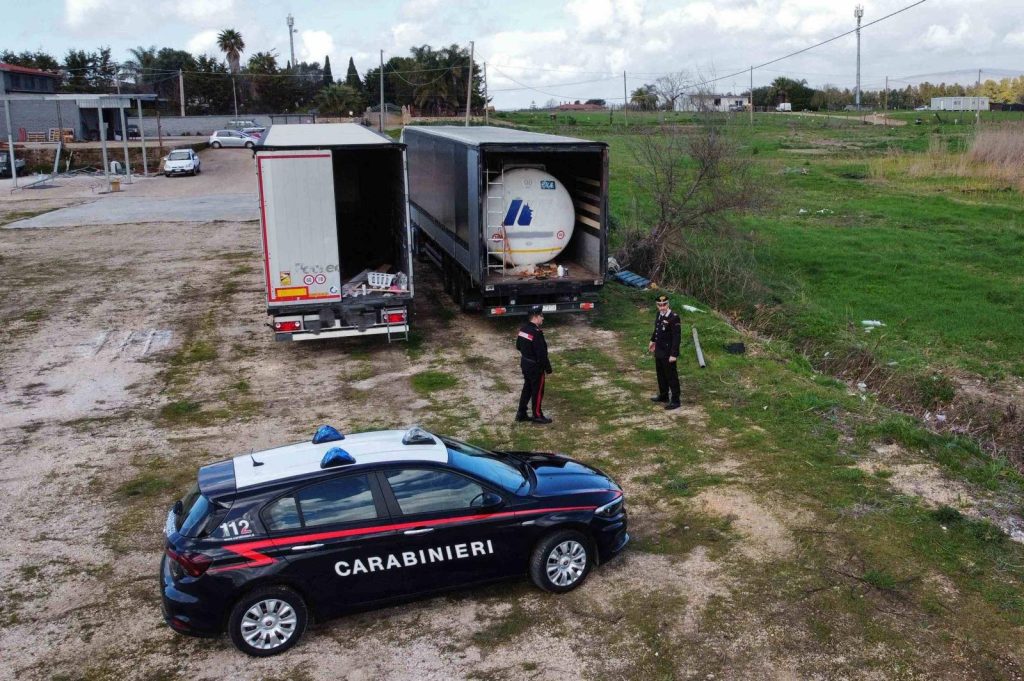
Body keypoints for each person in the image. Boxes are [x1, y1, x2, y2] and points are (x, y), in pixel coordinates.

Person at [516, 306, 553, 424]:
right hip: (535, 367)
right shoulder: (536, 333)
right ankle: (537, 415)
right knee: (537, 391)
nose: (543, 318)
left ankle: (521, 413)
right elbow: (541, 353)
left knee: (527, 388)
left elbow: (518, 346)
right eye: (541, 316)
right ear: (536, 317)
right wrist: (548, 368)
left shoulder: (523, 330)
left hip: (525, 364)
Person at [648, 294, 681, 410]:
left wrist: (674, 354)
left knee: (671, 376)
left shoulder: (674, 317)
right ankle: (664, 396)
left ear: (668, 304)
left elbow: (676, 338)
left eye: (664, 305)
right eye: (659, 305)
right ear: (657, 306)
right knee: (661, 374)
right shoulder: (659, 315)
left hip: (668, 352)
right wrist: (652, 341)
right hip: (659, 350)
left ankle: (676, 400)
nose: (662, 307)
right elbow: (657, 329)